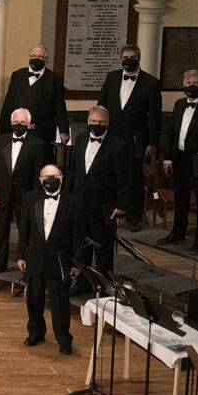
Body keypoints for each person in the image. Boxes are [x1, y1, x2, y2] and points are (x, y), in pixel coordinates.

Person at [17, 164, 84, 355]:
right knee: (34, 300)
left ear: (61, 178)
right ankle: (36, 332)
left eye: (54, 176)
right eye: (46, 176)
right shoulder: (30, 198)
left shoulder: (73, 202)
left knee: (60, 303)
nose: (50, 179)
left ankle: (63, 338)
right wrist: (21, 255)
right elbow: (24, 229)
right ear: (40, 180)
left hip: (59, 261)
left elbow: (78, 236)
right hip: (34, 259)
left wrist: (77, 264)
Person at [98, 45, 162, 231]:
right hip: (111, 136)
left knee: (133, 178)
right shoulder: (111, 78)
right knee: (110, 175)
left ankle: (134, 217)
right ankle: (111, 212)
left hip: (135, 138)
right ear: (120, 59)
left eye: (132, 56)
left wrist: (152, 142)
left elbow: (155, 115)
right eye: (125, 57)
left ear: (139, 58)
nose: (128, 59)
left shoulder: (151, 82)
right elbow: (101, 105)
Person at [159, 70, 198, 255]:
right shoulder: (179, 105)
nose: (191, 85)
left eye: (195, 83)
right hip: (180, 158)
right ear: (183, 84)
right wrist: (168, 159)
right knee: (181, 199)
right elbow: (172, 135)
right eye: (188, 82)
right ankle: (178, 232)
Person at [67, 106, 130, 281]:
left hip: (104, 208)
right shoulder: (80, 139)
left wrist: (122, 206)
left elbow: (124, 179)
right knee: (81, 249)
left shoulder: (118, 145)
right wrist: (67, 197)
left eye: (100, 122)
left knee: (104, 251)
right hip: (80, 204)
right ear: (88, 121)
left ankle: (105, 289)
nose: (96, 125)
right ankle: (83, 283)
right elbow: (74, 171)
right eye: (93, 122)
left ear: (107, 123)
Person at [0, 108, 45, 275]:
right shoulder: (0, 141)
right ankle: (0, 263)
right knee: (1, 230)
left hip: (25, 195)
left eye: (23, 123)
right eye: (16, 122)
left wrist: (34, 198)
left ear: (28, 124)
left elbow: (37, 173)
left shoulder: (37, 144)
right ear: (11, 123)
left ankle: (27, 265)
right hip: (3, 193)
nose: (19, 125)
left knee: (25, 230)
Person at [0, 44, 69, 160]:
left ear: (46, 59)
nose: (36, 58)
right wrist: (3, 129)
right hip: (17, 131)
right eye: (34, 55)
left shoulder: (54, 79)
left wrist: (64, 130)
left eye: (40, 57)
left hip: (42, 133)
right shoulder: (17, 75)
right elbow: (9, 102)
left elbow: (60, 107)